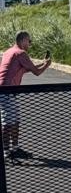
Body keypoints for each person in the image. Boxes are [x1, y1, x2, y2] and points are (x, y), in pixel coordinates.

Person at [1, 31, 54, 160]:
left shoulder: (10, 52)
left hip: (5, 91)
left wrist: (42, 63)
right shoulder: (21, 53)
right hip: (7, 92)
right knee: (8, 122)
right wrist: (47, 65)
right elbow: (36, 72)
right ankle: (6, 152)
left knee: (14, 121)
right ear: (23, 40)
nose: (29, 44)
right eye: (29, 41)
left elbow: (27, 68)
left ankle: (14, 149)